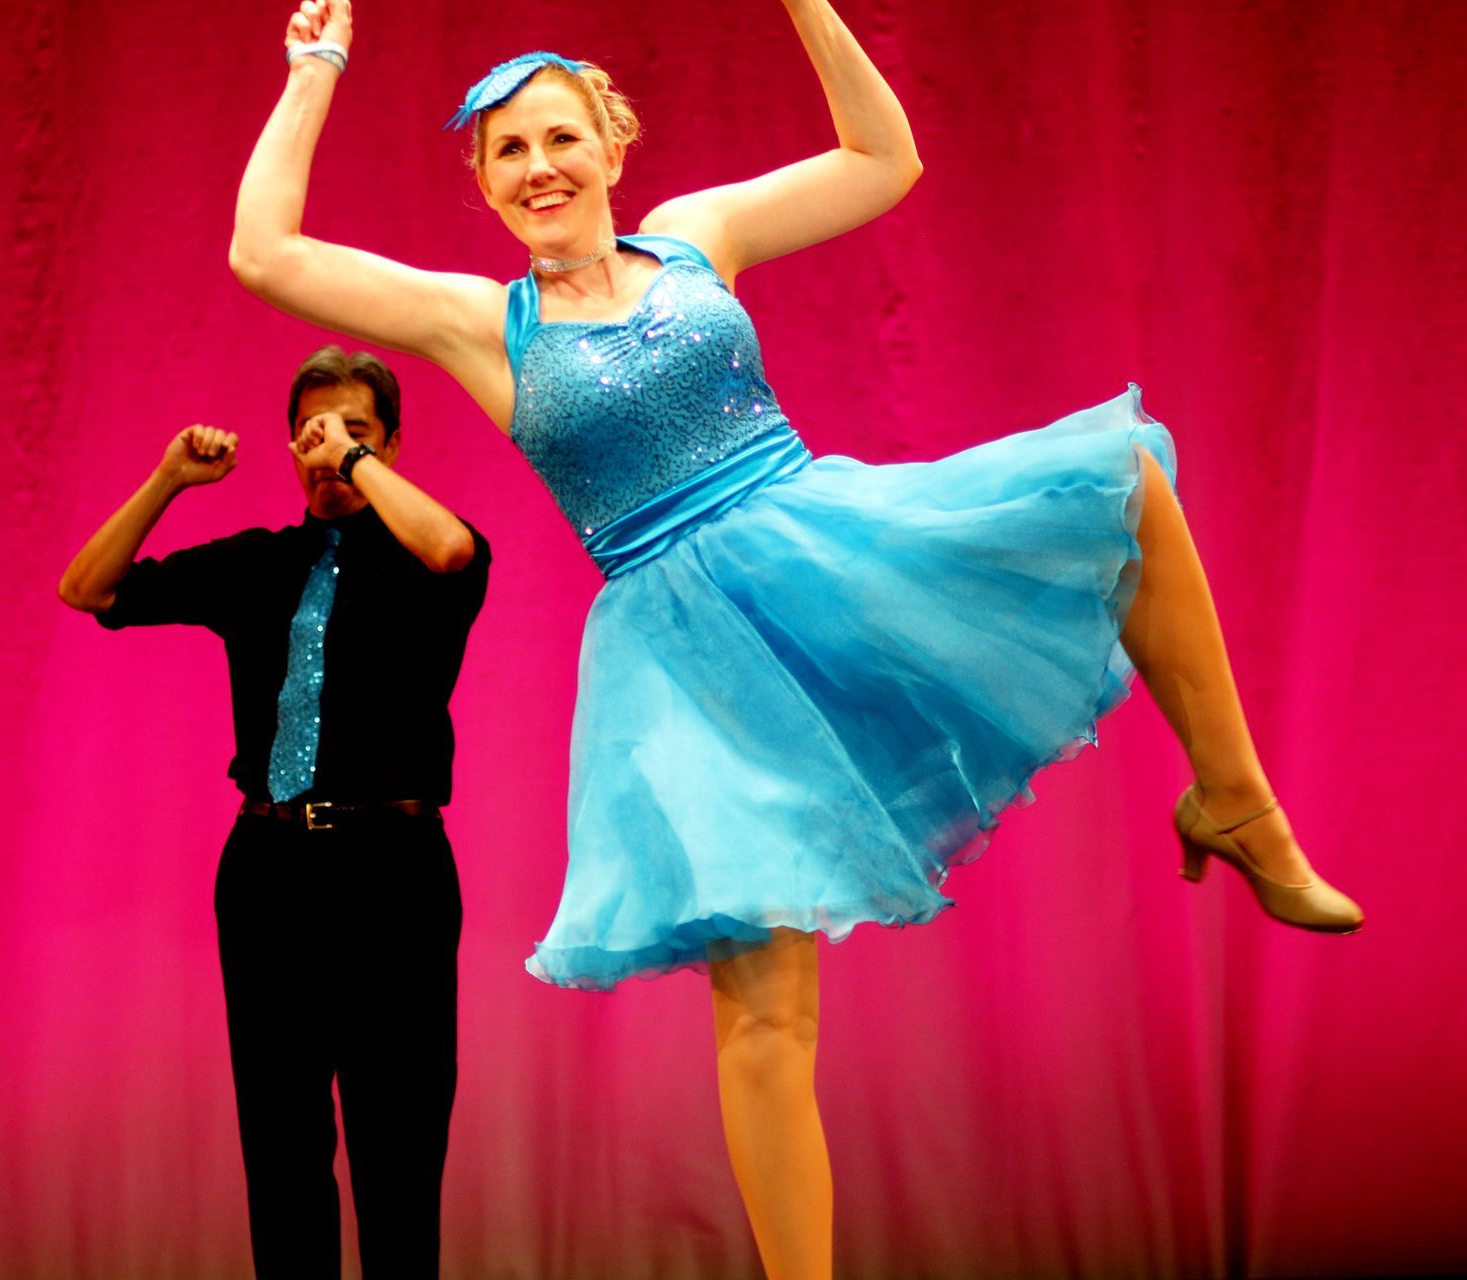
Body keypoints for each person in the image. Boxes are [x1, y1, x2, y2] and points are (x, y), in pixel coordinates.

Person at [228, 3, 1363, 1275]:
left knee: (1126, 485)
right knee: (766, 1007)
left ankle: (1234, 803)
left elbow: (884, 162)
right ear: (485, 185)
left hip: (819, 544)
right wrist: (315, 68)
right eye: (508, 152)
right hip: (685, 657)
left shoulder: (697, 236)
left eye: (560, 137)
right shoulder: (485, 322)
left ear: (611, 146)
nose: (538, 166)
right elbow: (265, 253)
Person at [58, 345, 489, 1279]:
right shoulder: (258, 564)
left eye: (352, 431)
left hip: (394, 868)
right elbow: (87, 588)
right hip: (269, 870)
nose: (325, 448)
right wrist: (169, 480)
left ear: (391, 444)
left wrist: (356, 463)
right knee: (282, 1142)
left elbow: (453, 550)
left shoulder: (430, 555)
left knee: (398, 1144)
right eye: (310, 434)